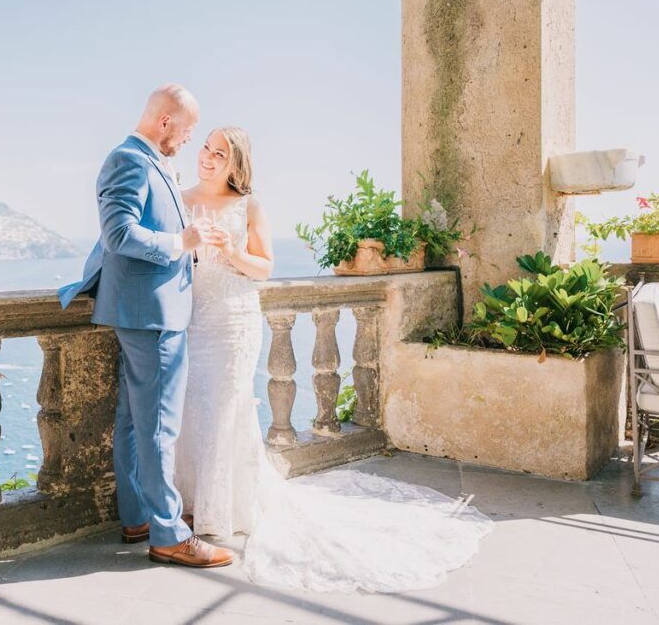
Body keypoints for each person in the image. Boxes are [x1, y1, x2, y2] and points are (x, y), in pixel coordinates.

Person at [174, 126, 494, 592]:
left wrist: (233, 250)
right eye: (205, 147)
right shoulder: (180, 200)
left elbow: (264, 269)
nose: (207, 156)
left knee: (226, 408)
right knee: (190, 408)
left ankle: (225, 507)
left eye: (219, 153)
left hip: (234, 319)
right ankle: (188, 501)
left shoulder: (250, 206)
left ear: (235, 165)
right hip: (193, 319)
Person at [58, 85, 234, 568]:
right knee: (159, 426)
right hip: (151, 313)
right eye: (188, 129)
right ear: (165, 122)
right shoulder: (129, 160)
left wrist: (188, 245)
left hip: (146, 308)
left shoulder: (148, 159)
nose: (189, 139)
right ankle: (171, 535)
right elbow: (119, 234)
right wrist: (181, 241)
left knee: (136, 422)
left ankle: (139, 517)